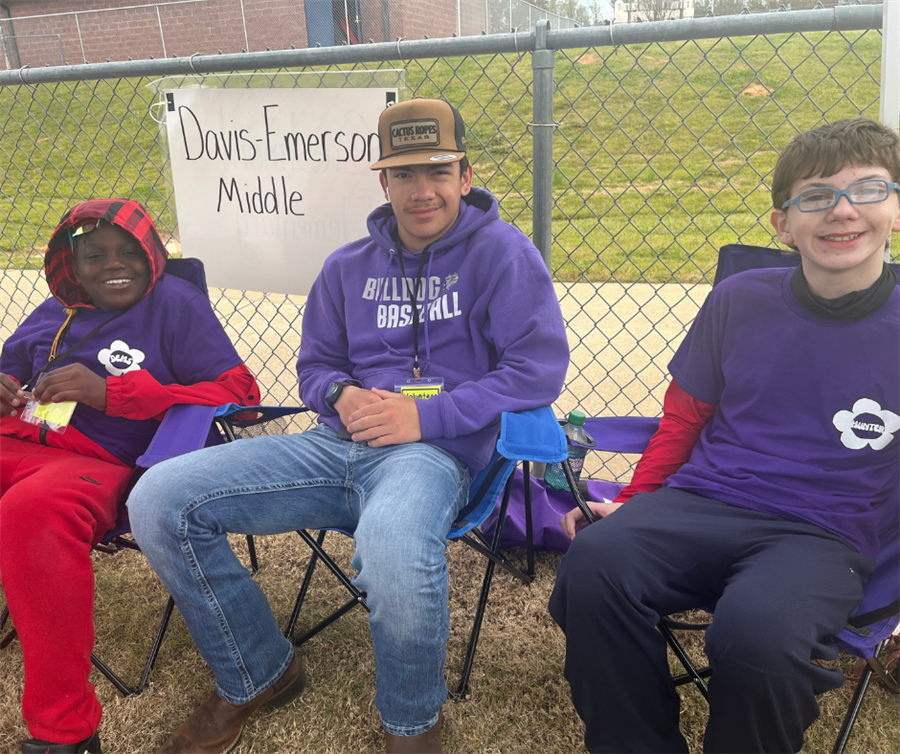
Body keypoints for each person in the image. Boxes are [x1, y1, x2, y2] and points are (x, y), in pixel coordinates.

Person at [126, 97, 569, 754]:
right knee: (157, 499)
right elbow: (316, 368)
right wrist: (341, 392)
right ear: (383, 182)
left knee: (392, 549)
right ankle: (258, 672)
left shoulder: (504, 255)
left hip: (433, 457)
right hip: (334, 445)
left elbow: (536, 370)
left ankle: (411, 724)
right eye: (404, 174)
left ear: (466, 175)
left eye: (438, 171)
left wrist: (427, 415)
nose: (422, 191)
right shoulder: (345, 267)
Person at [549, 116, 900, 754]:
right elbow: (683, 419)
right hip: (702, 500)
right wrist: (633, 501)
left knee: (758, 633)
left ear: (895, 210)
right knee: (595, 566)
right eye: (816, 195)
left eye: (868, 190)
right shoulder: (739, 299)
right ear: (782, 224)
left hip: (822, 531)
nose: (843, 210)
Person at [0, 199, 261, 754]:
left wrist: (115, 393)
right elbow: (12, 367)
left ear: (151, 257)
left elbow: (240, 394)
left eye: (128, 253)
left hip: (100, 461)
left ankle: (64, 731)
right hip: (20, 439)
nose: (113, 265)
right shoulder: (54, 310)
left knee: (31, 511)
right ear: (73, 265)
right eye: (95, 256)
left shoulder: (175, 305)